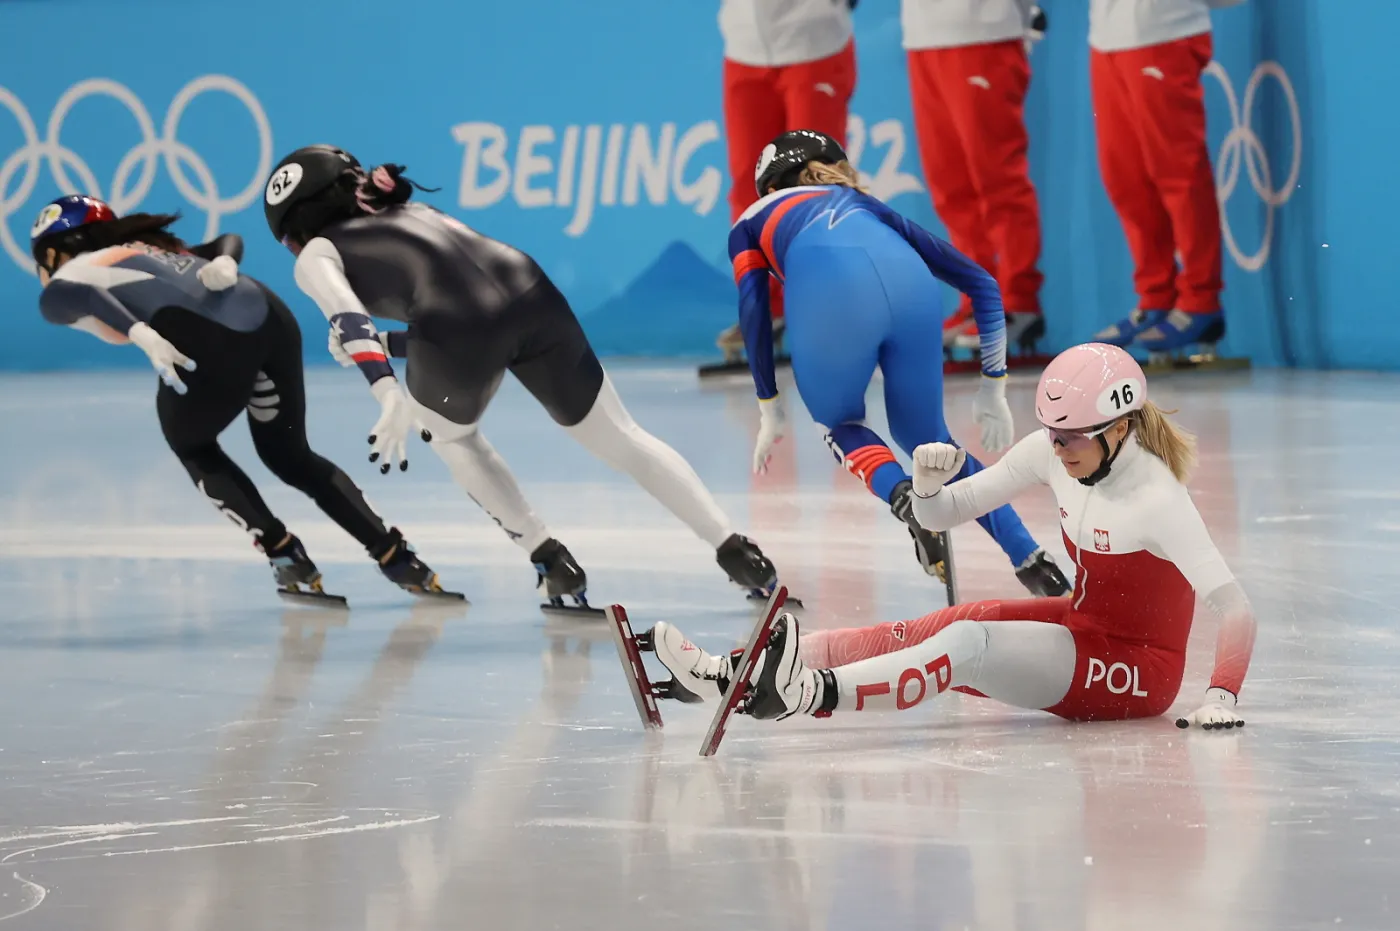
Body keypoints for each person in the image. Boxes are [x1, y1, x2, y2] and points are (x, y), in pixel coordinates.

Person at [259, 145, 782, 609]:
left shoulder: (316, 256)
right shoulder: (414, 210)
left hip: (460, 327)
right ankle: (738, 551)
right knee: (623, 438)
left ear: (293, 230)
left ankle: (549, 560)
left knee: (453, 439)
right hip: (530, 291)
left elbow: (354, 321)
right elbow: (470, 304)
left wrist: (387, 390)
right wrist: (390, 348)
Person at [647, 343, 1256, 730]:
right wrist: (930, 488)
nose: (1056, 446)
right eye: (1050, 432)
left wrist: (1222, 696)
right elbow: (941, 517)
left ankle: (808, 694)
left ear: (1119, 428)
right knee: (941, 626)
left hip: (1139, 671)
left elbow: (1235, 608)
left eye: (1071, 436)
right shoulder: (1052, 452)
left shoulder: (1158, 499)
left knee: (967, 643)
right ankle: (729, 674)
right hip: (1084, 624)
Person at [29, 194, 451, 601]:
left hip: (207, 341)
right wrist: (227, 260)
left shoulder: (70, 275)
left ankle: (284, 554)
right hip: (270, 317)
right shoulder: (149, 248)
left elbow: (80, 297)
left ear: (53, 254)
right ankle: (398, 558)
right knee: (290, 456)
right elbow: (226, 240)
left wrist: (143, 335)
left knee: (191, 443)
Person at [730, 129, 1069, 595]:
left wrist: (769, 404)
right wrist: (993, 387)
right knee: (931, 443)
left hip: (832, 300)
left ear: (770, 187)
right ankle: (1036, 565)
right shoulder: (868, 206)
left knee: (839, 424)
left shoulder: (751, 219)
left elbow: (753, 311)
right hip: (915, 293)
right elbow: (984, 285)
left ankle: (905, 498)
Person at [1089, 0, 1246, 354]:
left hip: (1165, 27)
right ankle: (1155, 297)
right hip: (1107, 36)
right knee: (1125, 177)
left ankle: (1200, 300)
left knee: (1178, 173)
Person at [713, 0, 860, 363]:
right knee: (751, 190)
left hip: (814, 39)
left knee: (816, 188)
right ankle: (765, 309)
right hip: (744, 44)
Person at [901, 0, 1048, 355]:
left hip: (986, 30)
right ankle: (976, 299)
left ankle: (1017, 301)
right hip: (923, 37)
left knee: (997, 179)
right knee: (951, 187)